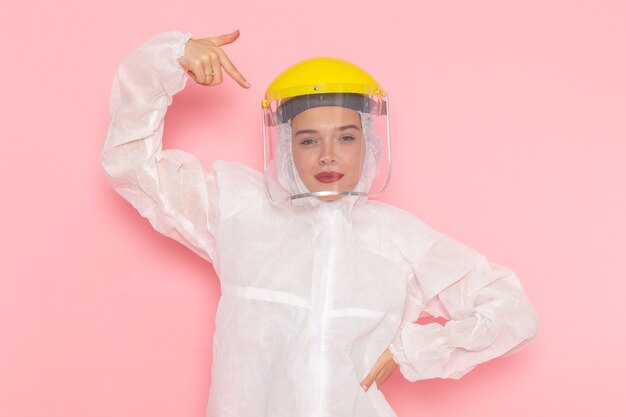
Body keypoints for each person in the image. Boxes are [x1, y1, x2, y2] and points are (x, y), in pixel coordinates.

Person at [100, 30, 538, 417]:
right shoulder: (237, 208)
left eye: (346, 137)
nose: (328, 155)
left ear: (370, 142)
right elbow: (132, 167)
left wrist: (414, 351)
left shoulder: (398, 237)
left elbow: (511, 311)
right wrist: (166, 60)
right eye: (308, 140)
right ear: (286, 146)